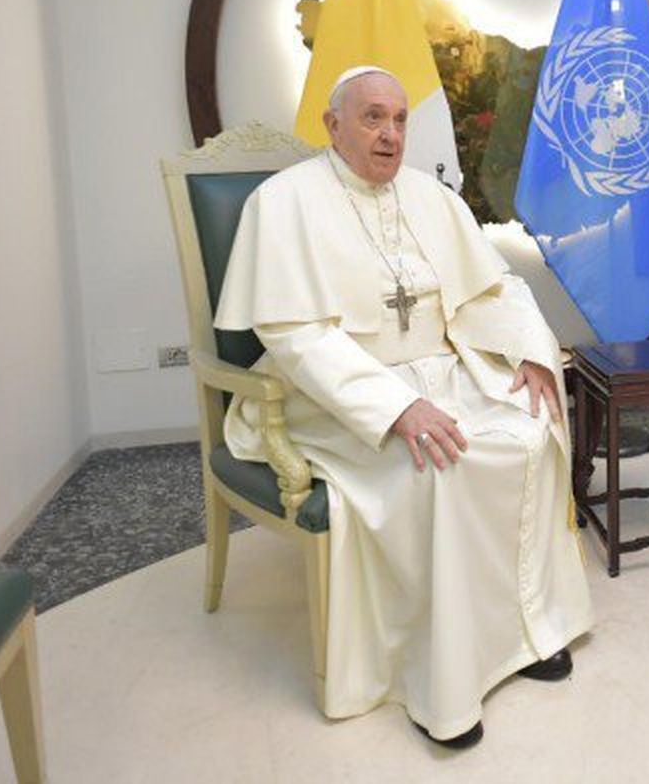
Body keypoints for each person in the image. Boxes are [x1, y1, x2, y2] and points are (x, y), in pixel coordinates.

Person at [214, 66, 593, 748]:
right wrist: (393, 408)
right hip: (331, 394)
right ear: (332, 125)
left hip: (440, 369)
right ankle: (438, 679)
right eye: (372, 118)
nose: (390, 134)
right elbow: (295, 335)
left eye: (398, 119)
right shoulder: (283, 202)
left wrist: (531, 351)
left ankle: (524, 631)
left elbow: (490, 288)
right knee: (440, 463)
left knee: (530, 431)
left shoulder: (429, 196)